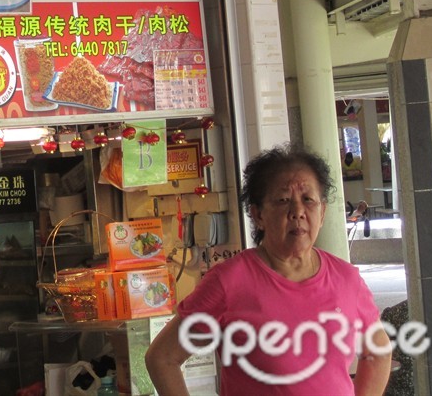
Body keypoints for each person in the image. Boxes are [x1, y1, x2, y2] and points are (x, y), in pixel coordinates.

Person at [145, 144, 392, 395]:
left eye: (308, 200)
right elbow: (163, 358)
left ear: (323, 211)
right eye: (283, 200)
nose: (297, 212)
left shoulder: (346, 278)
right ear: (258, 214)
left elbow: (378, 353)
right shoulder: (230, 282)